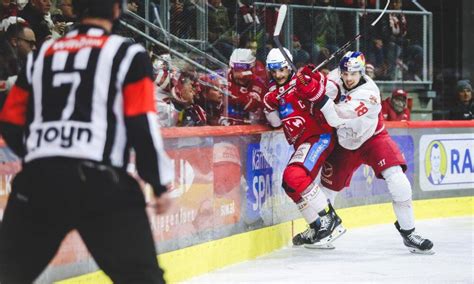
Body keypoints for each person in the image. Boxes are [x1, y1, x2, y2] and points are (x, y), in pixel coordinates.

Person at [0, 0, 174, 283]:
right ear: (117, 10)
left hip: (39, 182)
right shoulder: (127, 53)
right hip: (101, 182)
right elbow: (141, 121)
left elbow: (9, 119)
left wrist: (41, 155)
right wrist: (158, 182)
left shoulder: (42, 53)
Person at [312, 51, 434, 254]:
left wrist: (317, 95)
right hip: (344, 143)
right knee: (326, 190)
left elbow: (339, 113)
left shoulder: (370, 93)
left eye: (353, 73)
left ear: (361, 72)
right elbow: (329, 85)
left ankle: (409, 232)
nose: (348, 78)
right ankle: (320, 230)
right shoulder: (336, 75)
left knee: (399, 182)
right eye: (345, 73)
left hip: (373, 139)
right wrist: (313, 86)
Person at [263, 47, 345, 247]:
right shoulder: (274, 92)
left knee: (295, 175)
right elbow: (274, 122)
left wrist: (313, 82)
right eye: (273, 71)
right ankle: (316, 226)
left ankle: (329, 218)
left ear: (289, 67)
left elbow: (330, 93)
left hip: (320, 136)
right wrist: (269, 103)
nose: (278, 75)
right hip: (304, 142)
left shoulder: (302, 81)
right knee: (290, 184)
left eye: (282, 69)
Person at [223, 48, 267, 125]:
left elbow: (253, 105)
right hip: (221, 131)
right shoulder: (220, 78)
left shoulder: (259, 84)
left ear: (252, 69)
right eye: (237, 71)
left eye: (245, 71)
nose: (241, 76)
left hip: (249, 131)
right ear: (231, 68)